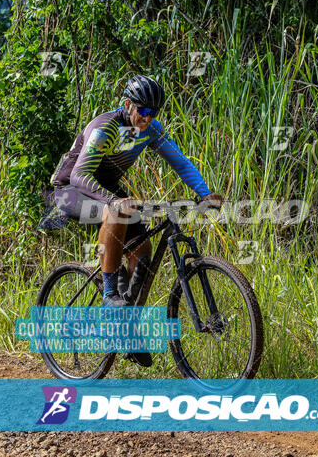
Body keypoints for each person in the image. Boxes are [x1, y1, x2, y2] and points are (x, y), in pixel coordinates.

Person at [40, 74, 222, 366]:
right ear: (127, 104)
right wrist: (113, 200)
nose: (148, 118)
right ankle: (110, 296)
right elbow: (78, 175)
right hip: (69, 190)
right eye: (144, 111)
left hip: (106, 192)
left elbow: (180, 161)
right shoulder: (106, 128)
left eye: (154, 113)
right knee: (117, 211)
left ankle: (127, 326)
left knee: (143, 252)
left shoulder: (151, 130)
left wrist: (204, 194)